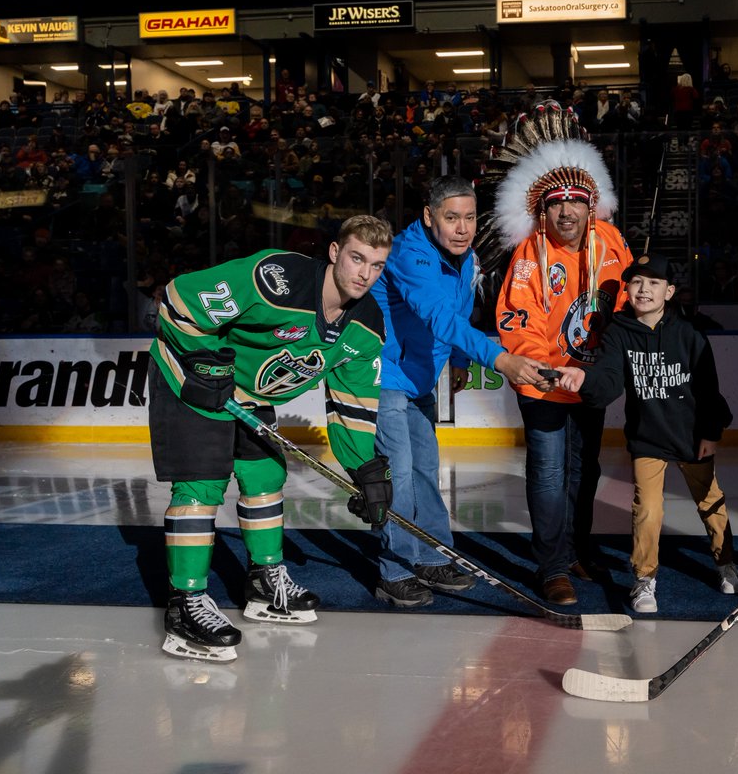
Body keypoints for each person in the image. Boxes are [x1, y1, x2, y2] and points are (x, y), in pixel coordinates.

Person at [148, 215, 396, 662]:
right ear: (335, 253)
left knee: (265, 473)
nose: (365, 274)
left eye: (377, 265)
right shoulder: (276, 280)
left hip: (247, 391)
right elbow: (177, 299)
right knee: (202, 485)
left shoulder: (366, 326)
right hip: (191, 374)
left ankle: (264, 583)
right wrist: (204, 361)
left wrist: (364, 468)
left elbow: (351, 405)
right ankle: (184, 606)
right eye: (358, 258)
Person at [369, 176, 548, 607]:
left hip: (420, 377)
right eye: (452, 218)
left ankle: (432, 557)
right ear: (430, 217)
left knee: (427, 469)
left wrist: (463, 361)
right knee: (402, 474)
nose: (463, 228)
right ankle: (394, 569)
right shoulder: (410, 253)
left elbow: (462, 310)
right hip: (384, 374)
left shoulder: (465, 258)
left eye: (469, 218)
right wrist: (500, 360)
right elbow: (437, 317)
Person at [481, 101, 633, 606]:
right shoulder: (528, 257)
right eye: (554, 204)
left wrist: (606, 367)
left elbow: (627, 305)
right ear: (539, 210)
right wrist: (547, 371)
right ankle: (551, 569)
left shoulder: (611, 243)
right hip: (545, 384)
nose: (566, 211)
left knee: (585, 469)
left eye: (576, 201)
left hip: (588, 382)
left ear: (594, 205)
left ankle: (575, 550)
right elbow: (516, 318)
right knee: (548, 473)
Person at [553, 253, 738, 613]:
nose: (644, 289)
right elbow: (607, 381)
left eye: (654, 283)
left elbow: (709, 389)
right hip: (648, 438)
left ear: (669, 292)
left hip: (691, 435)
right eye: (636, 282)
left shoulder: (690, 334)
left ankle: (725, 562)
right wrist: (584, 379)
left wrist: (710, 432)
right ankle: (644, 579)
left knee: (711, 505)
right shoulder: (618, 333)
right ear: (628, 289)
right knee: (648, 510)